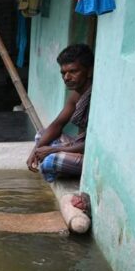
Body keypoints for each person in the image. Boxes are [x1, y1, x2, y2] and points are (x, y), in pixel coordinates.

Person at [27, 44, 93, 183]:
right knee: (41, 135)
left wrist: (53, 150)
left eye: (73, 71)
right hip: (77, 145)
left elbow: (93, 144)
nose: (67, 77)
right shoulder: (76, 95)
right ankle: (61, 167)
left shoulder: (97, 96)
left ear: (89, 71)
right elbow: (57, 125)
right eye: (63, 73)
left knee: (51, 160)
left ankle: (60, 170)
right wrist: (35, 150)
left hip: (90, 155)